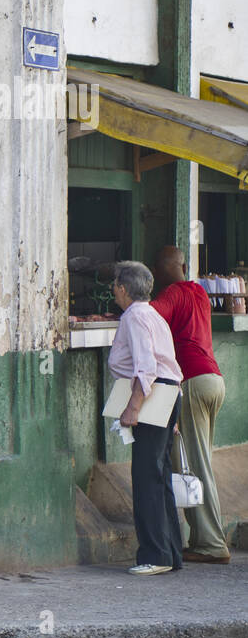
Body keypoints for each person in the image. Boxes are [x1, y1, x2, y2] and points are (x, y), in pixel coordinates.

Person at [151, 246, 231, 564]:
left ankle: (212, 544)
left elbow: (146, 317)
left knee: (197, 466)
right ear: (184, 265)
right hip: (214, 379)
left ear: (159, 270)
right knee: (200, 463)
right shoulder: (198, 291)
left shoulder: (171, 293)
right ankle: (201, 540)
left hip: (193, 382)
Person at [107, 261, 184, 575]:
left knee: (146, 477)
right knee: (160, 475)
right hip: (168, 394)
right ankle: (171, 552)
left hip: (153, 396)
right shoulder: (153, 314)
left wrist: (133, 407)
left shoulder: (135, 316)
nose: (112, 289)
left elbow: (146, 367)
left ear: (124, 289)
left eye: (114, 284)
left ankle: (155, 555)